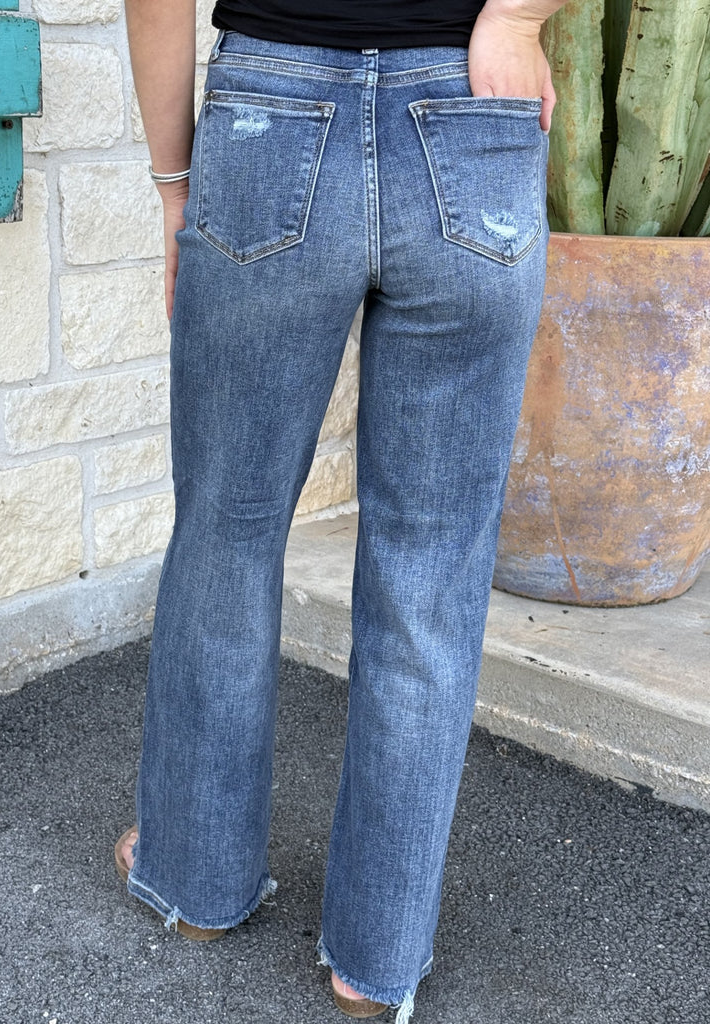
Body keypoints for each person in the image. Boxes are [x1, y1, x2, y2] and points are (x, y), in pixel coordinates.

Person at [116, 1, 570, 1020]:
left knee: (227, 531)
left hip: (269, 113)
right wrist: (518, 16)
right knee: (430, 568)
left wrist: (174, 182)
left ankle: (195, 882)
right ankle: (377, 961)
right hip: (470, 109)